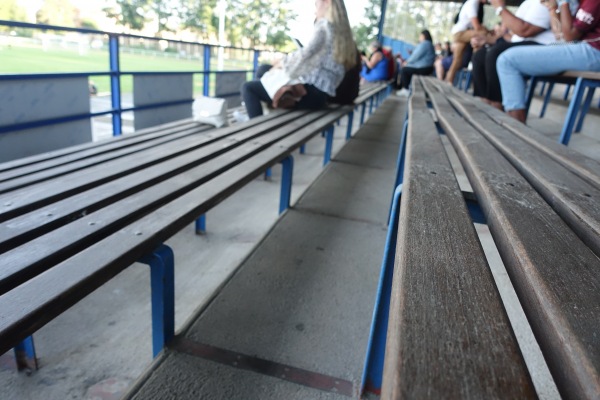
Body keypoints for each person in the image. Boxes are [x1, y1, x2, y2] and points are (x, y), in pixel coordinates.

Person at [241, 0, 357, 119]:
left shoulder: (325, 26)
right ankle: (263, 110)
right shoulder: (342, 33)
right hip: (323, 95)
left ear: (327, 2)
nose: (315, 10)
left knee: (248, 88)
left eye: (316, 4)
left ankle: (256, 124)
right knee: (264, 69)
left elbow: (305, 55)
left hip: (310, 94)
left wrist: (282, 63)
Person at [497, 0, 600, 123]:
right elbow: (559, 34)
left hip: (594, 51)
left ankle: (516, 129)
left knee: (508, 60)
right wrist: (554, 9)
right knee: (501, 56)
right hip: (585, 48)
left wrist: (564, 3)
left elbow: (569, 36)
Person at [472, 0, 555, 110]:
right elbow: (513, 36)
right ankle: (486, 106)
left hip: (545, 46)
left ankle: (498, 111)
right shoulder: (527, 3)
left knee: (496, 54)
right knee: (480, 55)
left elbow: (524, 30)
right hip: (520, 43)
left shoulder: (545, 2)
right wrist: (487, 40)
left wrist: (499, 8)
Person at [445, 0, 489, 84]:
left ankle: (448, 81)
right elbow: (477, 26)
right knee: (482, 34)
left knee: (457, 60)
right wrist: (489, 32)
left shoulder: (476, 4)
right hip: (460, 33)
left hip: (460, 32)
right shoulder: (473, 3)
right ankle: (477, 60)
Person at [396, 30, 436, 96]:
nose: (419, 37)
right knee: (406, 68)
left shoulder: (425, 43)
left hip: (425, 68)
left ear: (424, 36)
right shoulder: (428, 44)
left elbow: (416, 56)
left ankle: (406, 89)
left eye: (420, 36)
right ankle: (407, 88)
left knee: (404, 70)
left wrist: (406, 62)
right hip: (427, 67)